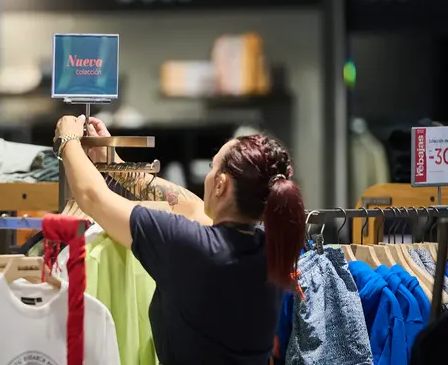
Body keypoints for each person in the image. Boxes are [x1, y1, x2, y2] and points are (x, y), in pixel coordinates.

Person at [55, 115, 306, 364]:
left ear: (220, 185)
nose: (208, 177)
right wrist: (116, 165)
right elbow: (192, 207)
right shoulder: (270, 250)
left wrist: (68, 140)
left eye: (212, 168)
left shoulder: (190, 247)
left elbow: (93, 197)